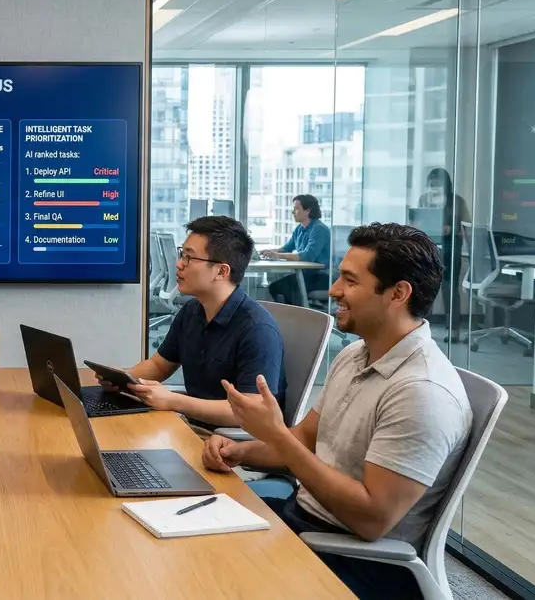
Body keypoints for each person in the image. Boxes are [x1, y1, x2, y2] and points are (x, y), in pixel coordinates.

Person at [202, 223, 471, 600]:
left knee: (205, 578)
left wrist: (276, 433)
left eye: (350, 280)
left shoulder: (422, 392)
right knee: (193, 536)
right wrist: (238, 451)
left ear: (398, 294)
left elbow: (370, 519)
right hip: (304, 520)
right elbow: (306, 441)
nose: (334, 290)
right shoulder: (354, 355)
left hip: (359, 563)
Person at [99, 216, 285, 429]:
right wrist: (123, 379)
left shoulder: (257, 329)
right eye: (181, 254)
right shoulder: (192, 311)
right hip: (193, 426)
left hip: (230, 441)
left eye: (189, 258)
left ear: (221, 271)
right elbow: (159, 365)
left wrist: (173, 401)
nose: (179, 264)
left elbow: (252, 411)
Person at [418, 168, 470, 343]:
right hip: (428, 247)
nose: (434, 188)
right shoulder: (424, 200)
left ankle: (454, 329)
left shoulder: (457, 202)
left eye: (437, 184)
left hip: (450, 247)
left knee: (449, 288)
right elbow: (417, 223)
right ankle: (423, 328)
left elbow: (466, 228)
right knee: (424, 289)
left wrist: (451, 229)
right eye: (431, 185)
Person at [263, 194, 331, 307]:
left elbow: (308, 255)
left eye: (297, 209)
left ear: (307, 211)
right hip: (307, 275)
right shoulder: (299, 229)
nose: (293, 212)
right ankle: (291, 316)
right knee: (275, 287)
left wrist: (278, 256)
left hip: (321, 278)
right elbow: (285, 248)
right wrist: (268, 252)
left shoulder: (319, 229)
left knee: (285, 288)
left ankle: (298, 317)